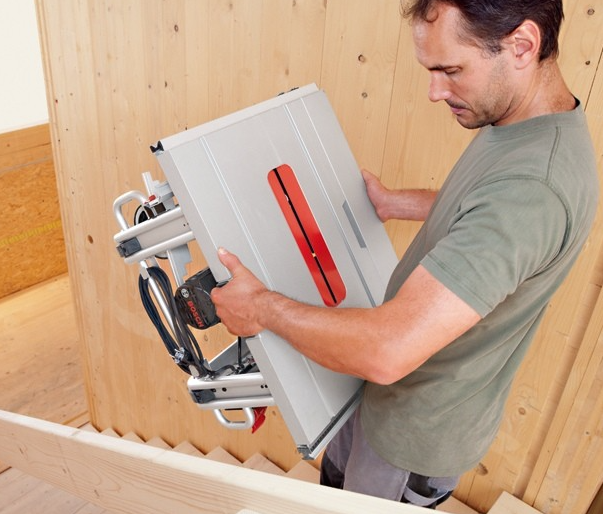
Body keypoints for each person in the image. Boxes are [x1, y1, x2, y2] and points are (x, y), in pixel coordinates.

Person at [211, 0, 599, 508]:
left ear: (522, 45)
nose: (435, 91)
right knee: (331, 492)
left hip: (412, 436)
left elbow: (387, 351)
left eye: (450, 70)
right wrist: (397, 203)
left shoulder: (533, 189)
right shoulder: (521, 124)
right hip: (384, 400)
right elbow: (480, 212)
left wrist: (260, 308)